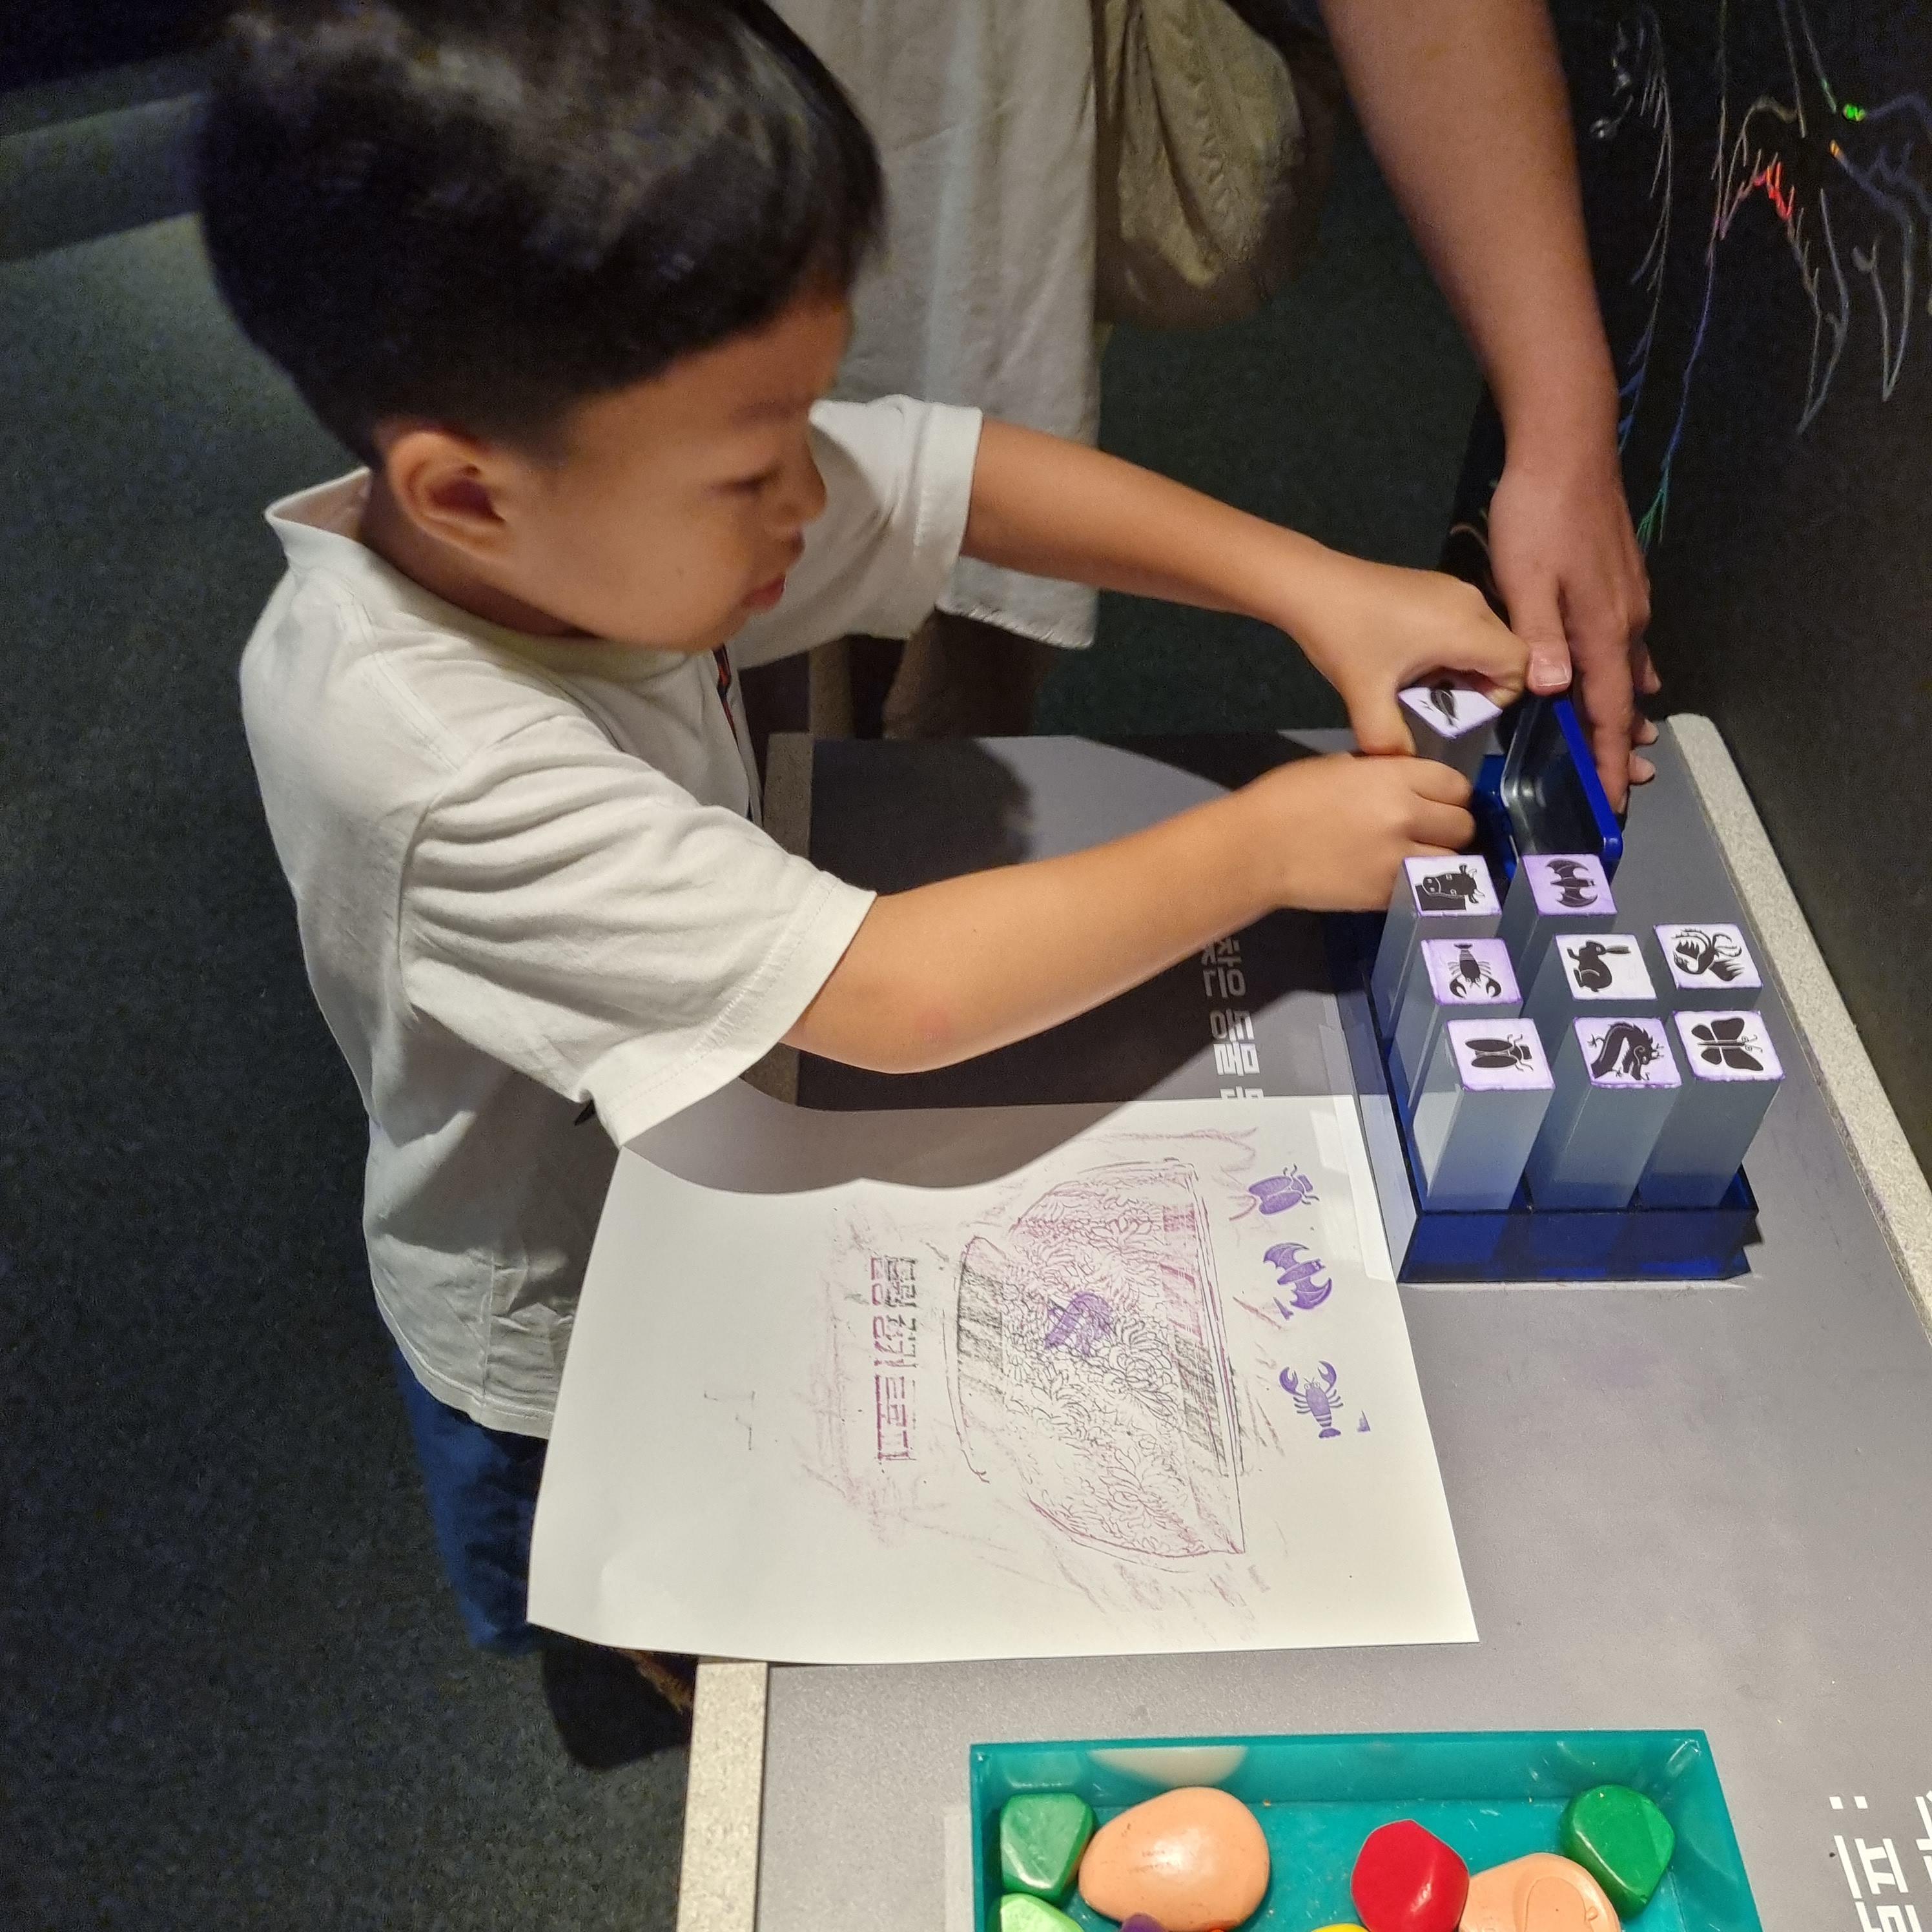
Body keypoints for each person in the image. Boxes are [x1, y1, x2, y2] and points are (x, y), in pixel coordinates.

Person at [197, 0, 1523, 1742]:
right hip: (569, 1318)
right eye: (754, 470)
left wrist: (1313, 586)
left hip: (729, 1168)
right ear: (465, 493)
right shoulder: (430, 756)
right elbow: (895, 995)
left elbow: (945, 478)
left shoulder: (577, 527)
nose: (804, 504)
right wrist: (1264, 840)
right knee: (672, 1646)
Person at [779, 0, 1655, 805]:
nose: (793, 487)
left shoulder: (765, 479)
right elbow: (826, 932)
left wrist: (1324, 592)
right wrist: (1266, 844)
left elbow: (923, 483)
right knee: (842, 786)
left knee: (921, 777)